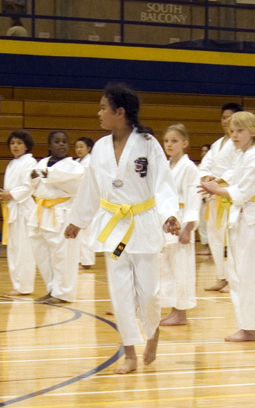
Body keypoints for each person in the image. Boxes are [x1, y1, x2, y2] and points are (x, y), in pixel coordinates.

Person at [66, 82, 180, 374]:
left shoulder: (148, 144)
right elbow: (91, 188)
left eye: (104, 107)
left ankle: (152, 333)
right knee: (120, 292)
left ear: (120, 111)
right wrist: (78, 220)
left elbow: (164, 182)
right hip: (113, 226)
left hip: (142, 223)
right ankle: (129, 351)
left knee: (149, 293)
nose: (99, 113)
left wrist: (169, 213)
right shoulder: (101, 148)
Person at [199, 111, 255, 342]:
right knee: (237, 274)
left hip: (251, 220)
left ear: (253, 130)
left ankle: (250, 328)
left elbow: (243, 190)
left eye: (239, 130)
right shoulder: (242, 156)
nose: (234, 136)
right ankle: (246, 325)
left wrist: (217, 190)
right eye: (231, 131)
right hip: (238, 219)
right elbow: (228, 178)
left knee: (248, 275)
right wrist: (213, 182)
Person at [28, 130, 84, 304]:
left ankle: (64, 293)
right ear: (49, 145)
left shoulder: (75, 167)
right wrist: (35, 176)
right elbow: (32, 183)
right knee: (43, 256)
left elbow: (76, 185)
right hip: (41, 213)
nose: (61, 144)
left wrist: (48, 175)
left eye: (64, 142)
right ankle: (52, 290)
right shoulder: (42, 163)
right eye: (57, 141)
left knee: (63, 256)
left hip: (62, 212)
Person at [159, 124, 200, 327]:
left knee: (181, 270)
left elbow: (193, 199)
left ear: (185, 143)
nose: (169, 144)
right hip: (166, 223)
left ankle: (181, 312)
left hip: (182, 222)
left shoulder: (189, 168)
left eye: (174, 141)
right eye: (166, 141)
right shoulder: (165, 166)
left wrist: (188, 228)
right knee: (167, 270)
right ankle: (173, 309)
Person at [199, 103, 243, 292]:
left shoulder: (239, 144)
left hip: (227, 195)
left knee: (228, 239)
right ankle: (222, 277)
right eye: (224, 117)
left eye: (230, 117)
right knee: (215, 237)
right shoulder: (217, 144)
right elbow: (204, 165)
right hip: (213, 195)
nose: (226, 121)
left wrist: (220, 180)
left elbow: (237, 168)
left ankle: (233, 279)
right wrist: (206, 178)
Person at [0, 130, 38, 296]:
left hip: (24, 210)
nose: (15, 146)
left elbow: (29, 186)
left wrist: (11, 194)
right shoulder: (13, 163)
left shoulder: (30, 162)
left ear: (26, 145)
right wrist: (5, 195)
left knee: (24, 250)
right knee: (14, 249)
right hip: (13, 209)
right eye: (12, 143)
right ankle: (18, 285)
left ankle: (25, 286)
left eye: (19, 143)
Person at [74, 137, 97, 269]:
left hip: (88, 199)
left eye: (81, 146)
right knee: (78, 231)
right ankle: (79, 259)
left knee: (86, 231)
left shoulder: (91, 162)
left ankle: (87, 261)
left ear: (88, 149)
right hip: (77, 199)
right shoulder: (76, 162)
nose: (79, 149)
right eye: (77, 147)